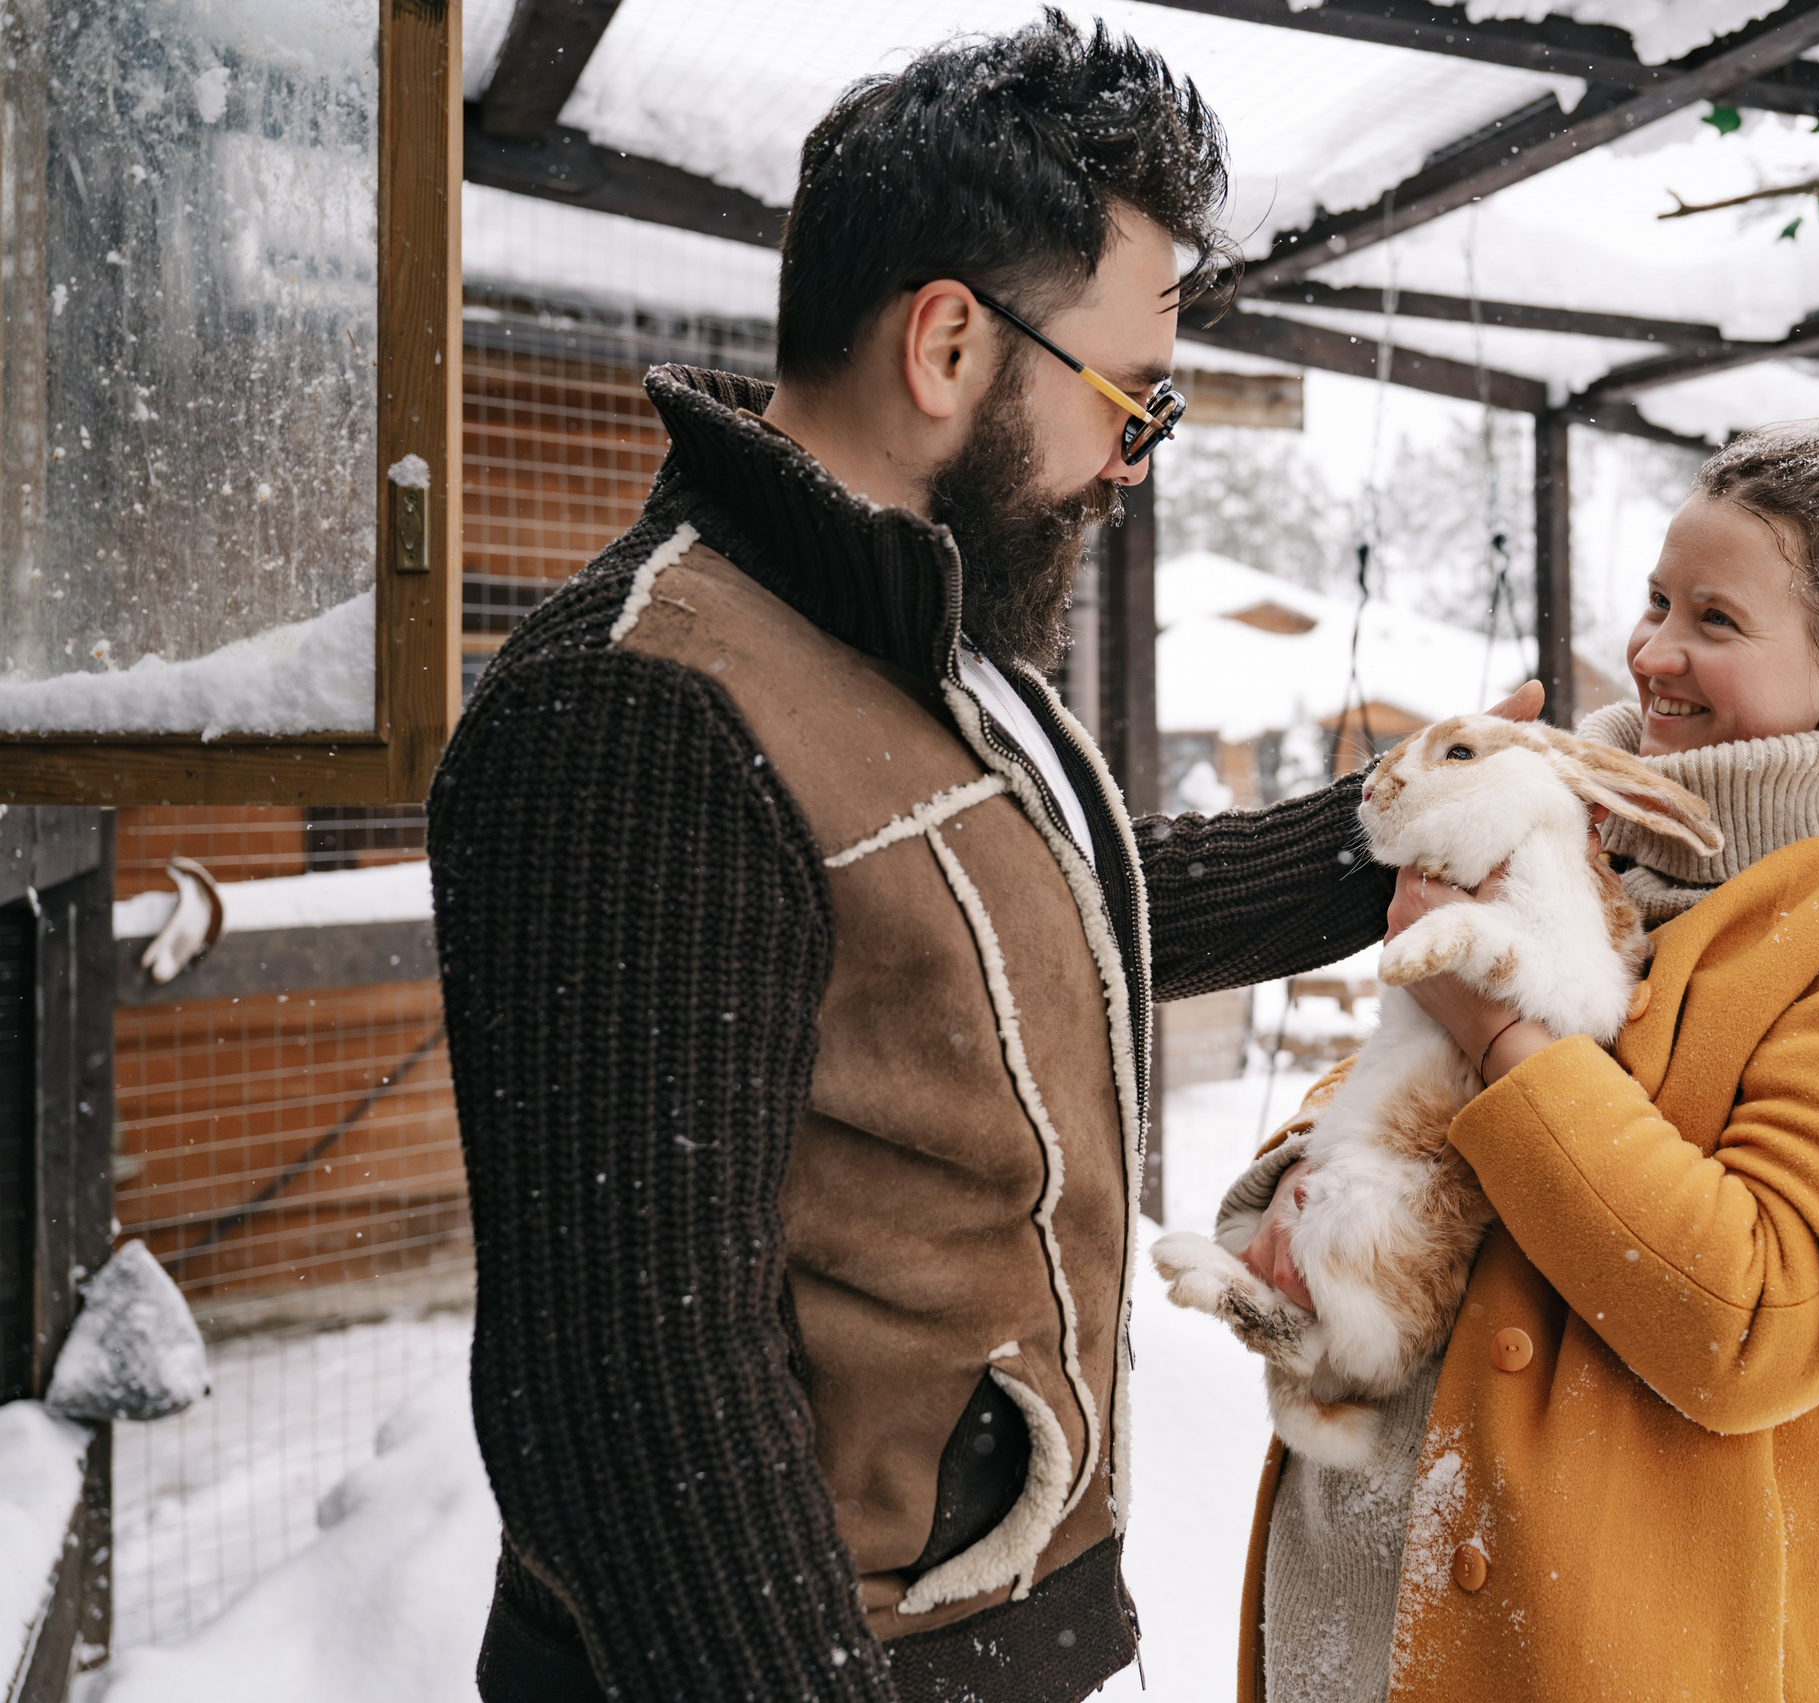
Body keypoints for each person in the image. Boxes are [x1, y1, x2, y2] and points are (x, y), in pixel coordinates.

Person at [427, 16, 1449, 1702]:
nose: (1135, 456)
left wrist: (1384, 835)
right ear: (951, 344)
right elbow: (633, 1390)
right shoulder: (638, 714)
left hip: (966, 1627)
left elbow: (1045, 917)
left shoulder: (919, 639)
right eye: (1133, 398)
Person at [1229, 391, 1819, 1702]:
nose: (1654, 652)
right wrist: (1302, 1194)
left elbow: (1750, 1325)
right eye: (1659, 603)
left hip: (1605, 1649)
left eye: (1716, 621)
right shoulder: (1548, 820)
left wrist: (1502, 1035)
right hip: (1352, 1610)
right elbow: (1397, 1072)